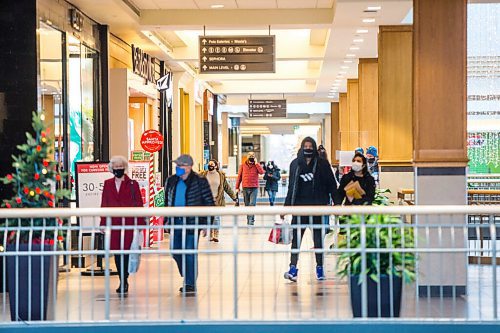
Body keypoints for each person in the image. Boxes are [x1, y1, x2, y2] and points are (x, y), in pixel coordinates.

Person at [283, 137, 338, 282]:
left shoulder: (322, 164)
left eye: (310, 146)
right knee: (296, 241)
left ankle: (320, 268)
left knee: (318, 240)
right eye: (305, 146)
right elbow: (291, 188)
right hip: (299, 209)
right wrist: (286, 208)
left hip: (317, 208)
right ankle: (293, 268)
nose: (308, 148)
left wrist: (337, 204)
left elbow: (332, 184)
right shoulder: (295, 164)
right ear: (301, 147)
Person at [164, 154, 215, 294]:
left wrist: (207, 223)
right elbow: (166, 201)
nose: (178, 168)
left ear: (189, 167)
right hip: (176, 221)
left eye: (181, 165)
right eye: (177, 165)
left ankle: (190, 283)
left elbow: (208, 202)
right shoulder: (171, 180)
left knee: (190, 252)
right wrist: (166, 219)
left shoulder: (199, 181)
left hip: (193, 222)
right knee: (175, 251)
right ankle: (187, 273)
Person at [100, 155, 144, 294]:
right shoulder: (107, 184)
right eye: (115, 167)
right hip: (114, 223)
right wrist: (103, 222)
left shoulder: (133, 184)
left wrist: (140, 223)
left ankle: (125, 279)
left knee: (126, 251)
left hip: (129, 222)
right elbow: (104, 204)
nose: (118, 169)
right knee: (118, 253)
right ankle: (122, 280)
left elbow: (139, 204)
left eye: (120, 167)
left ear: (124, 168)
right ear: (111, 169)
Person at [200, 159, 238, 242]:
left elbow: (227, 188)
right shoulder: (203, 175)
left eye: (212, 164)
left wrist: (234, 197)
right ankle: (210, 234)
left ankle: (216, 234)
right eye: (209, 164)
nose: (210, 166)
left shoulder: (221, 176)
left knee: (216, 218)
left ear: (216, 166)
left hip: (218, 200)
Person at [236, 152, 265, 225]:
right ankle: (250, 219)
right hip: (245, 187)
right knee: (247, 205)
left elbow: (262, 172)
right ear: (247, 157)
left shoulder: (256, 165)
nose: (251, 157)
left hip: (254, 187)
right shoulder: (242, 165)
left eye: (253, 156)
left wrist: (256, 163)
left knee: (252, 204)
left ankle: (250, 222)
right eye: (250, 155)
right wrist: (237, 187)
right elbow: (239, 177)